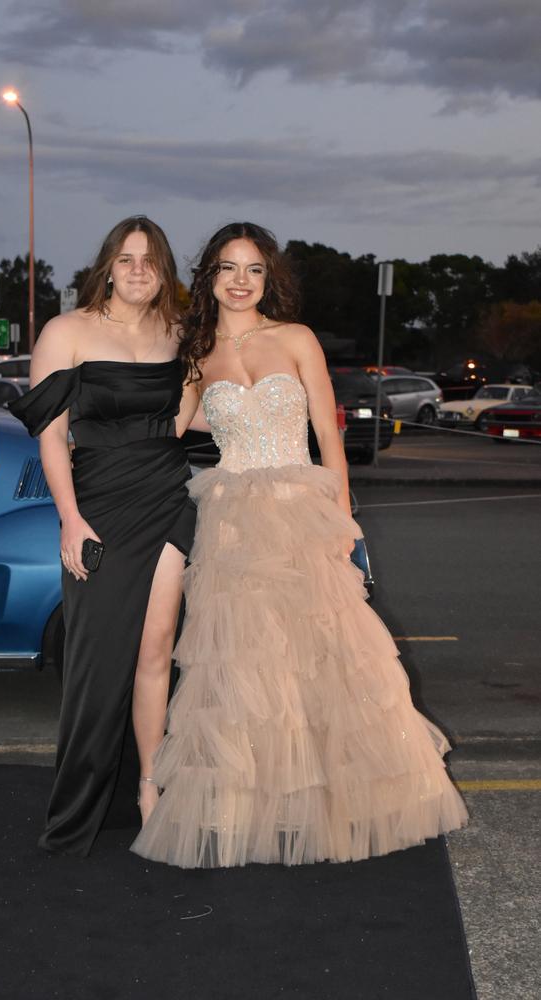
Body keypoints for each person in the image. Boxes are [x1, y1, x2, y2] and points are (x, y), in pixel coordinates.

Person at [131, 222, 468, 868]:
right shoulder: (196, 353)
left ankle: (339, 804)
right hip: (231, 524)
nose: (239, 281)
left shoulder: (297, 339)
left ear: (268, 278)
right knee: (242, 671)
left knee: (325, 661)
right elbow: (169, 427)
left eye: (253, 269)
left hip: (300, 515)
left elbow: (329, 439)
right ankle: (244, 810)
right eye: (228, 268)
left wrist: (344, 525)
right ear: (209, 278)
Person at [10, 216, 197, 857]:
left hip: (167, 498)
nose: (138, 269)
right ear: (108, 266)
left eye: (151, 259)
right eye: (127, 258)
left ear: (164, 270)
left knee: (156, 649)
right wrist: (71, 518)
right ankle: (80, 810)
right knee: (96, 661)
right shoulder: (68, 331)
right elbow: (50, 437)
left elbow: (180, 421)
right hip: (97, 508)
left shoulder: (180, 335)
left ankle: (150, 786)